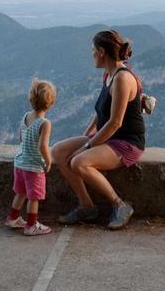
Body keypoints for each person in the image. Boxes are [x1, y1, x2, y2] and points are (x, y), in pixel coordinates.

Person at [53, 30, 145, 230]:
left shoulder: (122, 79)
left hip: (126, 142)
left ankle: (120, 205)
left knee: (79, 162)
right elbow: (102, 111)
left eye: (93, 50)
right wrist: (88, 135)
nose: (92, 54)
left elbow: (115, 122)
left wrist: (86, 146)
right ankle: (87, 206)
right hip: (108, 137)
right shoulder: (109, 75)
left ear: (102, 51)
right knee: (58, 151)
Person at [7, 79, 56, 236]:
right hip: (33, 166)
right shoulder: (45, 123)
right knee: (33, 197)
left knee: (20, 192)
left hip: (20, 162)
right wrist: (48, 162)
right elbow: (43, 147)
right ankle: (31, 225)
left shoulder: (26, 116)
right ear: (51, 103)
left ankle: (13, 218)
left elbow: (21, 138)